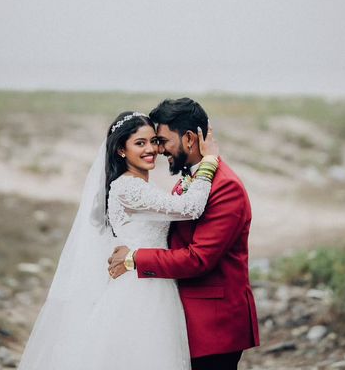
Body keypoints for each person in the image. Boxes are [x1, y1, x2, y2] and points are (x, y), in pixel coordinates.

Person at [17, 110, 219, 370]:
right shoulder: (129, 187)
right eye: (140, 143)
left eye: (154, 142)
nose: (151, 150)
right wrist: (209, 161)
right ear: (121, 151)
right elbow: (190, 208)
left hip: (147, 278)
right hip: (142, 291)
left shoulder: (136, 185)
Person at [108, 98, 260, 370]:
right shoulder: (190, 180)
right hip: (179, 314)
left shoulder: (225, 187)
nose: (159, 149)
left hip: (214, 325)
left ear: (189, 139)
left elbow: (199, 259)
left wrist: (134, 258)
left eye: (162, 140)